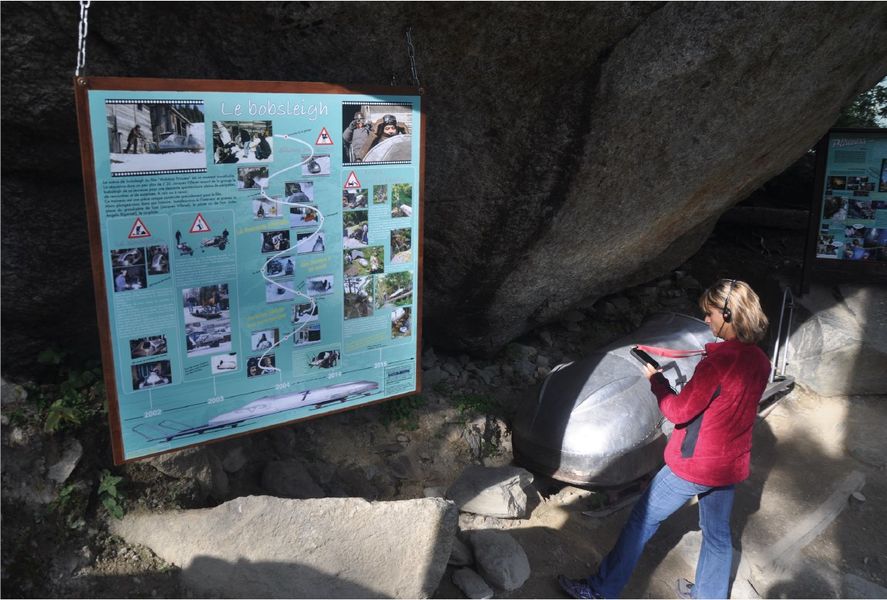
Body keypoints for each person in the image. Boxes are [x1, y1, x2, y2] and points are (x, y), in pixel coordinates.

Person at [558, 279, 771, 600]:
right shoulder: (760, 360)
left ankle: (600, 590)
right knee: (717, 536)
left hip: (694, 466)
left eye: (710, 313)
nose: (706, 320)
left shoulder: (717, 363)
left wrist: (657, 382)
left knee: (640, 523)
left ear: (728, 315)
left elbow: (679, 411)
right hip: (730, 464)